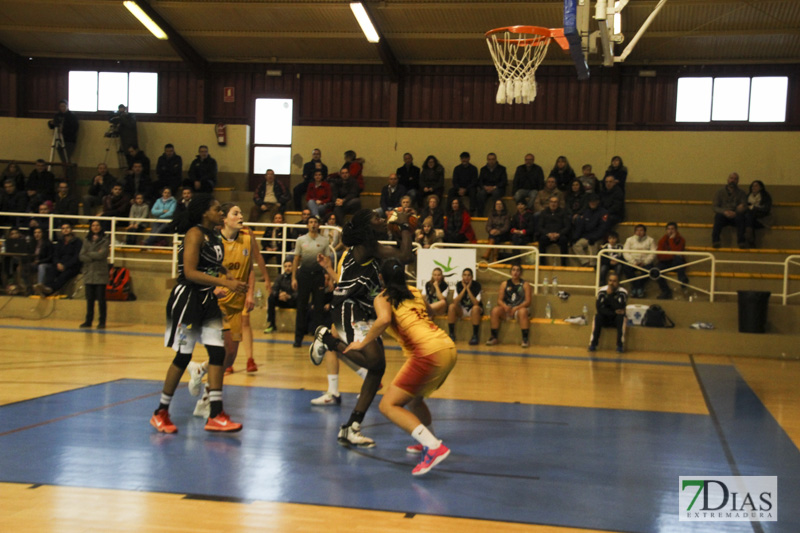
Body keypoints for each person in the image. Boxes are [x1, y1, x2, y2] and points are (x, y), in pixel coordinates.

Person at [308, 208, 415, 446]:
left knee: (377, 369)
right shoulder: (368, 245)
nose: (382, 219)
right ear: (367, 228)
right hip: (348, 305)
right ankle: (326, 339)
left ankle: (351, 427)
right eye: (377, 218)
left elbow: (405, 254)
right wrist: (405, 226)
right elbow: (406, 255)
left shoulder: (368, 245)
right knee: (373, 361)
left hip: (364, 306)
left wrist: (399, 230)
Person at [341, 258, 457, 476]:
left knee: (387, 405)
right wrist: (445, 304)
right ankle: (429, 439)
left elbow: (384, 320)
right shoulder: (414, 291)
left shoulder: (383, 298)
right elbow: (430, 311)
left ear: (381, 279)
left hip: (427, 353)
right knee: (414, 399)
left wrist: (362, 342)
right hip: (447, 346)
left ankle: (433, 447)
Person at [150, 194, 248, 434]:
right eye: (217, 209)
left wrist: (227, 272)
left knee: (218, 352)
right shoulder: (194, 234)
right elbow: (191, 272)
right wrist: (225, 282)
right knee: (183, 356)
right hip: (187, 300)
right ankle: (160, 412)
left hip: (206, 299)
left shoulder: (213, 235)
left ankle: (215, 414)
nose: (221, 214)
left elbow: (212, 261)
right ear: (205, 212)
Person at [186, 203, 271, 416]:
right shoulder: (212, 241)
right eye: (236, 213)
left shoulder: (247, 238)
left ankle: (200, 369)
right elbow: (202, 270)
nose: (241, 215)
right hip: (218, 302)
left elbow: (250, 268)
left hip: (237, 301)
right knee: (223, 351)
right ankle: (208, 402)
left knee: (230, 357)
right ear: (224, 219)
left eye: (241, 212)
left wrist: (251, 292)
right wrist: (213, 288)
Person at [292, 215, 330, 348]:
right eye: (310, 222)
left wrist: (328, 277)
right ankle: (298, 339)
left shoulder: (324, 241)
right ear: (307, 225)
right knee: (301, 307)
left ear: (318, 225)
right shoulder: (301, 240)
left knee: (318, 309)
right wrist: (293, 278)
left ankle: (318, 340)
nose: (313, 224)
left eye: (315, 222)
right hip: (304, 275)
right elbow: (296, 259)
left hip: (318, 276)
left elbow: (327, 260)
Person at [486, 263, 532, 348]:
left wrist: (516, 308)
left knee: (523, 312)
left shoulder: (525, 285)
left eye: (517, 270)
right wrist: (505, 306)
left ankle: (525, 339)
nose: (515, 272)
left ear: (520, 273)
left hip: (519, 309)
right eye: (513, 270)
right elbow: (499, 300)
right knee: (495, 310)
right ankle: (494, 337)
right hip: (507, 309)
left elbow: (528, 301)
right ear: (510, 272)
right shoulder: (504, 284)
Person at [34, 222, 82, 296]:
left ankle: (50, 290)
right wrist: (58, 263)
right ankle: (46, 288)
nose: (65, 230)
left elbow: (76, 257)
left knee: (64, 275)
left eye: (67, 228)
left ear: (71, 230)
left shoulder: (78, 242)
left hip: (72, 266)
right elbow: (55, 255)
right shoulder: (60, 242)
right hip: (60, 264)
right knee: (51, 271)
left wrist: (65, 265)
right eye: (63, 228)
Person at [78, 220, 110, 329]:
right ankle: (88, 321)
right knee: (89, 299)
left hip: (100, 274)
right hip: (88, 273)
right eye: (93, 225)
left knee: (101, 299)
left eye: (97, 225)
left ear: (101, 227)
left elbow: (102, 255)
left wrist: (89, 253)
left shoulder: (105, 240)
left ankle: (102, 321)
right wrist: (94, 254)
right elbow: (81, 256)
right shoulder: (86, 240)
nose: (95, 227)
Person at [588, 271, 627, 353]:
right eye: (610, 280)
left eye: (614, 281)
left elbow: (620, 307)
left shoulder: (623, 292)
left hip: (616, 319)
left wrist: (609, 296)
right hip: (606, 317)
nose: (612, 283)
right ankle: (593, 344)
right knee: (597, 316)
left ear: (618, 282)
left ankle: (620, 345)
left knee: (621, 317)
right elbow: (599, 308)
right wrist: (614, 312)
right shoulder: (602, 291)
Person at [447, 268, 483, 345]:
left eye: (468, 275)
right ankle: (451, 334)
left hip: (473, 310)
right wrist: (464, 289)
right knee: (451, 307)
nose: (466, 277)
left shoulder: (477, 285)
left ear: (472, 277)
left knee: (476, 308)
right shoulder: (459, 285)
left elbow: (476, 303)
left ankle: (475, 336)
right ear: (462, 276)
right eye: (465, 275)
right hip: (462, 309)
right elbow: (455, 302)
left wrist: (468, 289)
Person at [711, 172, 748, 249]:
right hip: (723, 215)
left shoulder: (742, 193)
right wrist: (724, 212)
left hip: (736, 215)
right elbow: (715, 207)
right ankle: (715, 240)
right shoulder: (719, 192)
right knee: (718, 217)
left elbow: (744, 206)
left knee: (742, 218)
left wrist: (736, 212)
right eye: (731, 178)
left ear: (738, 181)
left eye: (735, 179)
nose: (733, 180)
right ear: (728, 180)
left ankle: (741, 241)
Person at [571, 194, 609, 267]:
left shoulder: (603, 212)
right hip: (587, 236)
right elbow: (581, 226)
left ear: (598, 202)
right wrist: (575, 237)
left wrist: (595, 237)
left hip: (598, 238)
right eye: (591, 202)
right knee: (576, 245)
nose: (592, 203)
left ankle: (593, 264)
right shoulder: (586, 212)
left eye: (594, 201)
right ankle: (585, 262)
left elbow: (603, 228)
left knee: (592, 244)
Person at [655, 222, 690, 299]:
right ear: (666, 230)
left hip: (677, 262)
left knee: (678, 259)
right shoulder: (662, 240)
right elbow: (660, 256)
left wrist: (671, 240)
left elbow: (677, 251)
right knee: (655, 271)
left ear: (676, 230)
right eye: (668, 229)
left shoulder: (681, 240)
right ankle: (666, 291)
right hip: (665, 262)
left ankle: (682, 280)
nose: (670, 231)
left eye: (672, 229)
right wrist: (671, 256)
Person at [623, 224, 656, 298]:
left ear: (644, 231)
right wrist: (633, 262)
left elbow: (653, 254)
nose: (639, 232)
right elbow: (625, 252)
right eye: (637, 230)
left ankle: (638, 287)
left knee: (650, 270)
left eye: (641, 230)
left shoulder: (651, 240)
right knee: (625, 268)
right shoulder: (629, 240)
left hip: (645, 263)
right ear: (634, 232)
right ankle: (636, 286)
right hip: (633, 262)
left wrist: (644, 262)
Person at [536, 195, 571, 266]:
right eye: (551, 202)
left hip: (559, 235)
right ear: (549, 203)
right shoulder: (544, 212)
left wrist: (558, 234)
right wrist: (548, 234)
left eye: (555, 202)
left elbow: (567, 227)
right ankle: (542, 264)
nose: (553, 204)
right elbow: (540, 227)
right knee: (541, 240)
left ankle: (564, 264)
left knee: (564, 240)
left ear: (558, 203)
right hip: (547, 235)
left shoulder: (563, 212)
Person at [265, 259, 297, 333]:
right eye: (285, 266)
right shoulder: (280, 277)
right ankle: (272, 324)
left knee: (301, 301)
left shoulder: (297, 278)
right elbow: (274, 289)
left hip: (293, 301)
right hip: (282, 300)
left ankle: (301, 328)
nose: (287, 268)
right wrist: (279, 294)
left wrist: (289, 296)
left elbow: (300, 293)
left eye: (289, 266)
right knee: (271, 298)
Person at [48, 100, 79, 165]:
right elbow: (53, 125)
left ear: (67, 106)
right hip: (58, 139)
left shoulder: (72, 116)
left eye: (64, 106)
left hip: (69, 140)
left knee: (66, 158)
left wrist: (64, 129)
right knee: (63, 159)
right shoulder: (57, 115)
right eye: (61, 106)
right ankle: (66, 172)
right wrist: (51, 123)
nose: (62, 108)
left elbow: (75, 128)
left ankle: (69, 173)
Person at [744, 180, 772, 248]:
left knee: (748, 217)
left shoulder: (765, 197)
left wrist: (754, 208)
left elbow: (766, 209)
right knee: (748, 218)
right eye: (752, 186)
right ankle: (750, 240)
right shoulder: (747, 196)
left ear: (761, 187)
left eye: (756, 186)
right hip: (750, 219)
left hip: (761, 219)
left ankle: (749, 238)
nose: (754, 187)